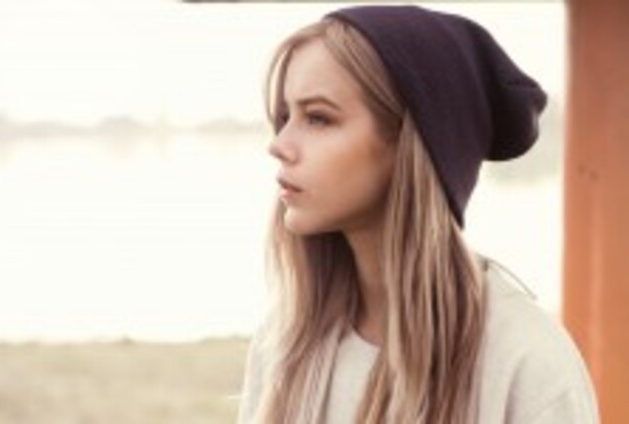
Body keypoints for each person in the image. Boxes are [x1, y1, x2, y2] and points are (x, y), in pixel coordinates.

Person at [238, 5, 598, 424]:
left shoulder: (527, 363)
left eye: (318, 118)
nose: (279, 144)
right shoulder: (283, 342)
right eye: (285, 117)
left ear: (412, 144)